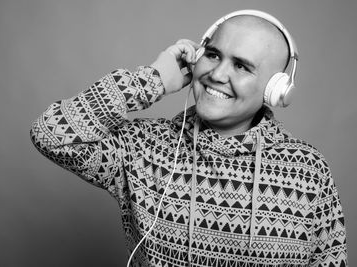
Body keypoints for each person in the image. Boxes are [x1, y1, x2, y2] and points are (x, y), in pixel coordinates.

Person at [30, 10, 348, 267]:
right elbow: (51, 133)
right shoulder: (143, 146)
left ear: (274, 90)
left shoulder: (308, 171)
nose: (217, 74)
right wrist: (150, 81)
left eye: (241, 66)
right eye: (212, 55)